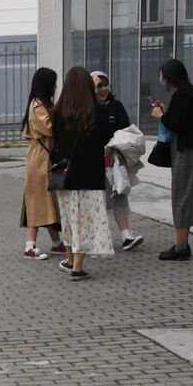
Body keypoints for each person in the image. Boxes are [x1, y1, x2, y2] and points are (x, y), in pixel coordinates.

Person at [51, 66, 114, 281]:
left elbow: (55, 141)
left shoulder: (58, 111)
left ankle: (70, 260)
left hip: (65, 175)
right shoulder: (99, 111)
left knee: (69, 218)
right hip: (90, 174)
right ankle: (77, 267)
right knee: (86, 220)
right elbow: (106, 138)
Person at [151, 57, 193, 260]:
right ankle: (182, 244)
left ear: (169, 77)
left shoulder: (181, 95)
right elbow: (182, 120)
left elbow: (177, 125)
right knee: (184, 195)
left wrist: (160, 115)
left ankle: (181, 247)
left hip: (186, 151)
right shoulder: (185, 94)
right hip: (189, 150)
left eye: (161, 76)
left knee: (182, 196)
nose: (159, 80)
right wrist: (166, 112)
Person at [91, 70, 143, 251]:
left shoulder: (116, 106)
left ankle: (126, 236)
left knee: (120, 195)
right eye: (98, 86)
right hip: (95, 161)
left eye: (105, 85)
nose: (103, 89)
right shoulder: (88, 108)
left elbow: (125, 131)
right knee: (97, 199)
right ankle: (96, 238)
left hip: (114, 159)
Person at [20, 68, 68, 260]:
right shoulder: (37, 105)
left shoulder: (44, 104)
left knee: (46, 201)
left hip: (43, 159)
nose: (56, 86)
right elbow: (50, 128)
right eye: (54, 82)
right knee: (38, 201)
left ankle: (56, 243)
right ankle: (29, 246)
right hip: (39, 160)